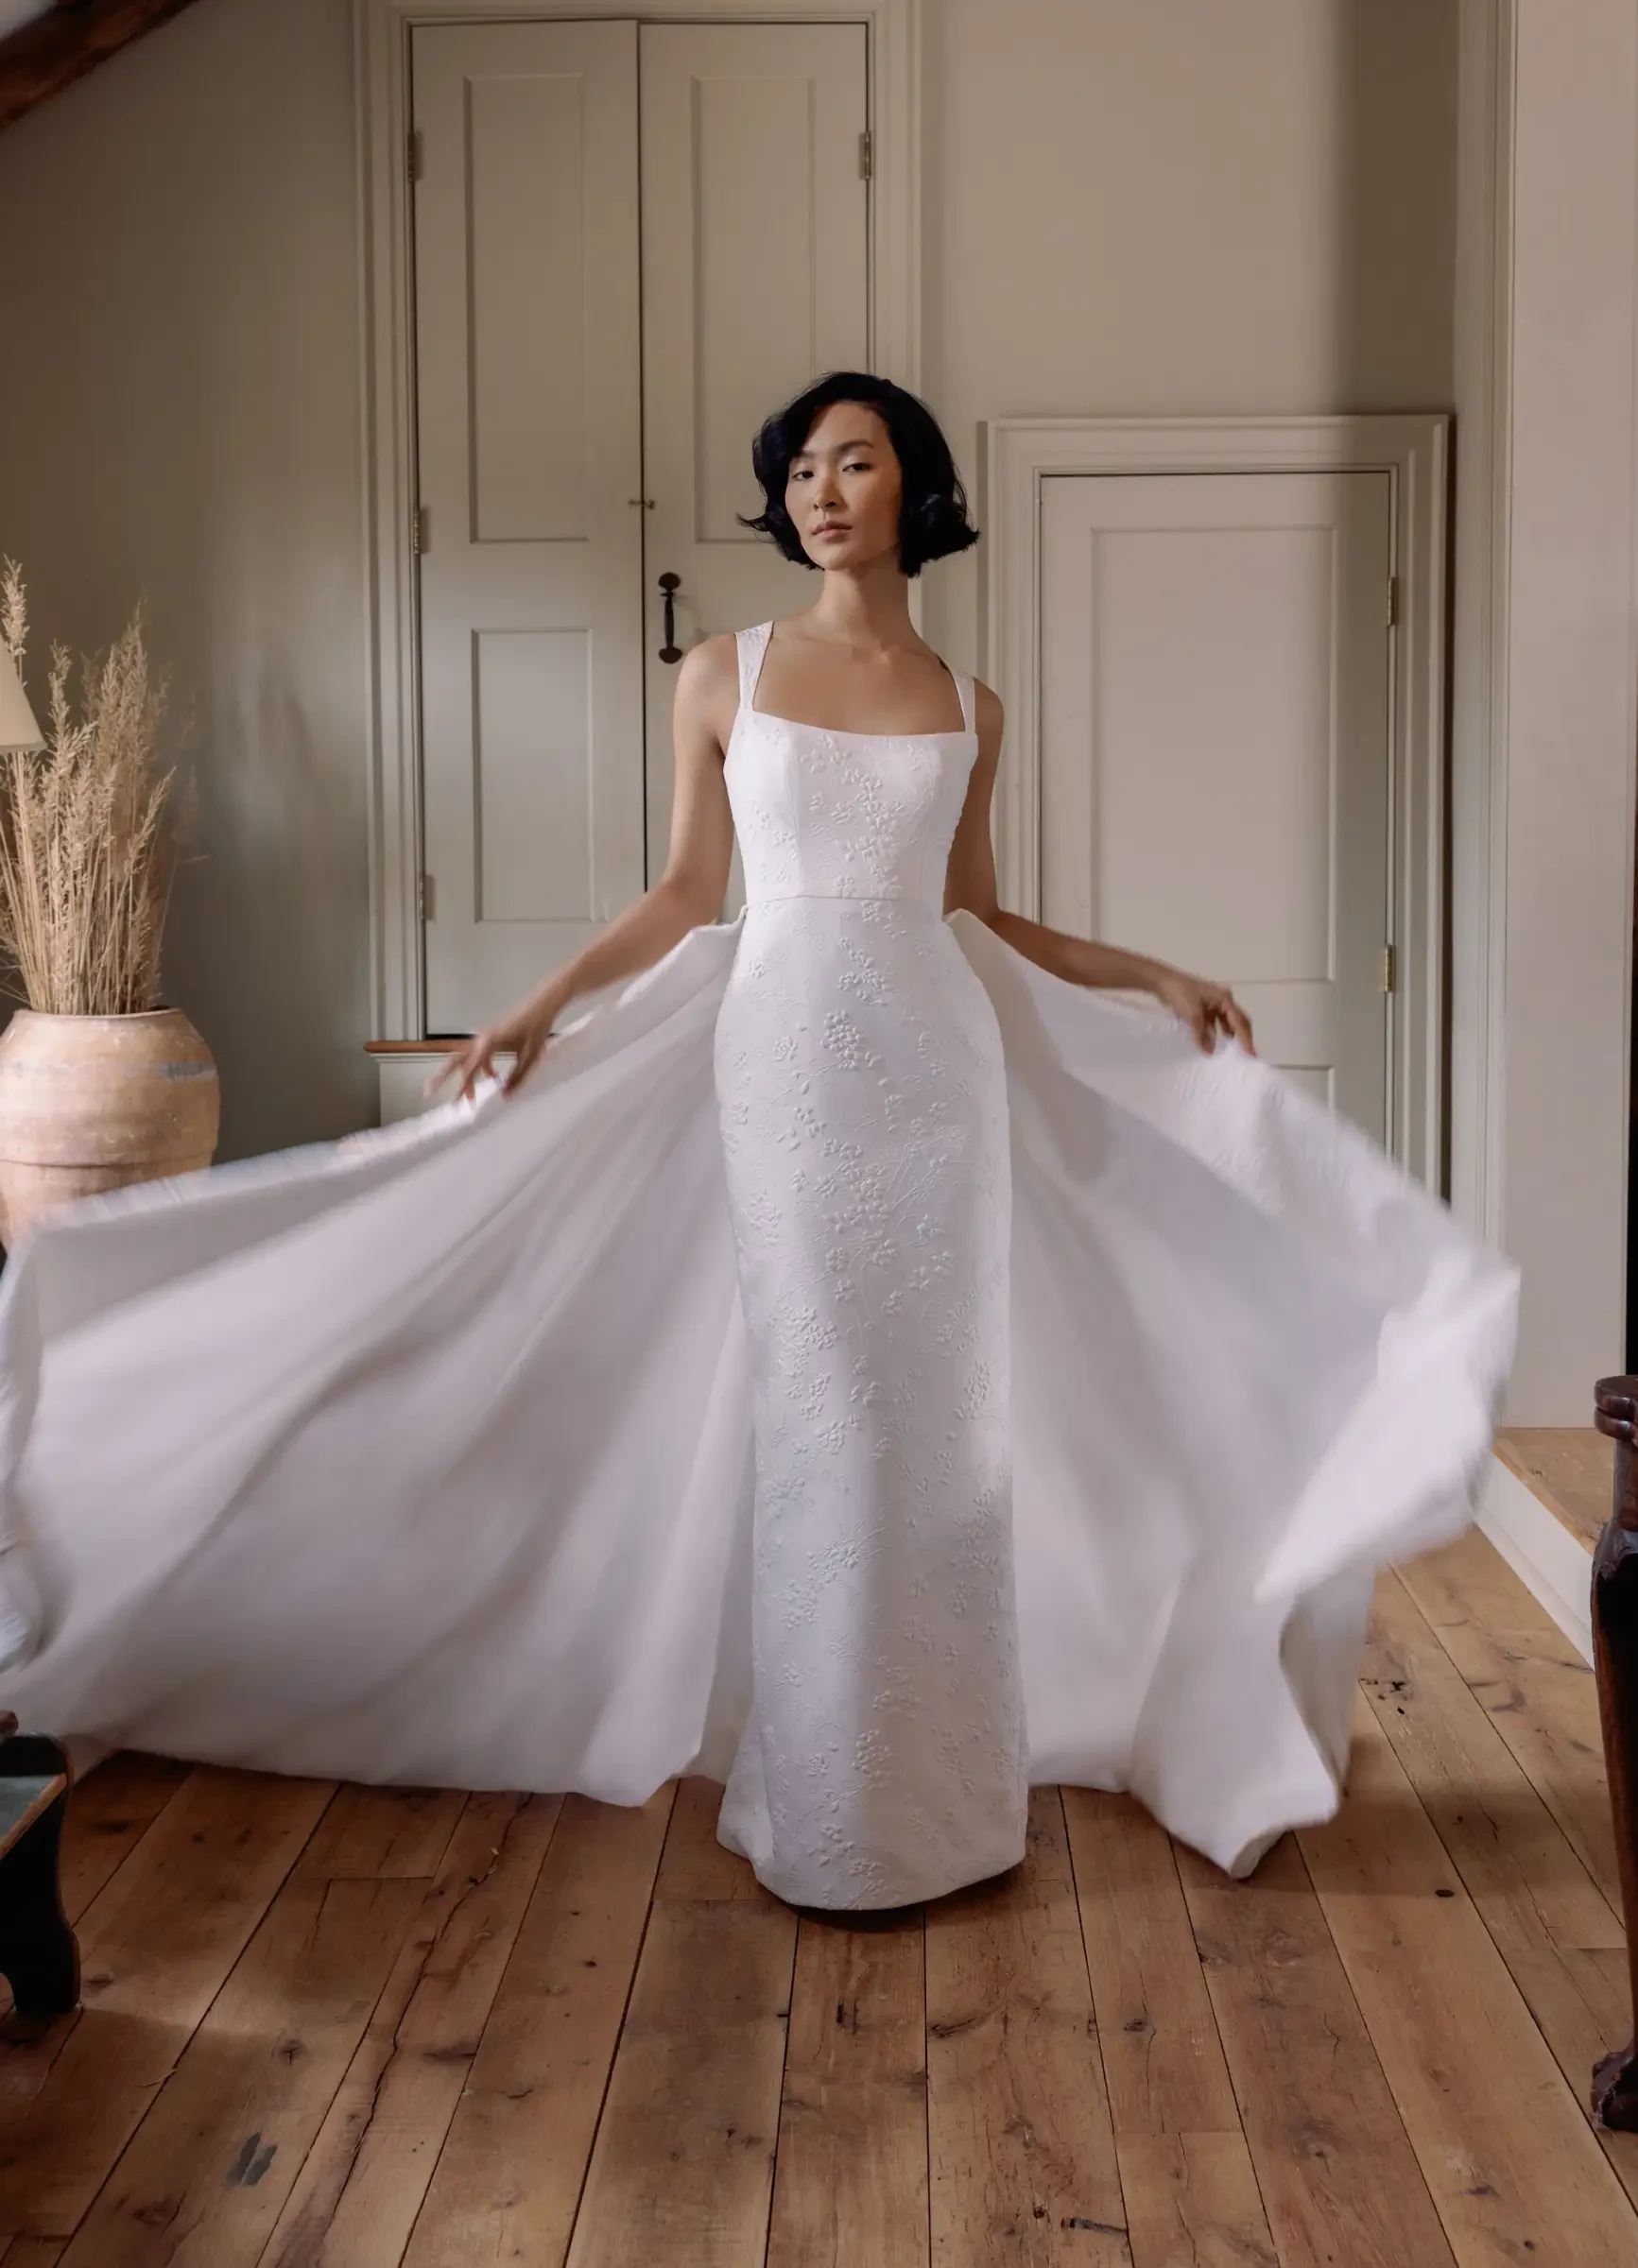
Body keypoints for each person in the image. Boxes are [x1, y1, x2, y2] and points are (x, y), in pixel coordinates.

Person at [0, 374, 1514, 1912]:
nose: (821, 489)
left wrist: (1151, 974)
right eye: (800, 468)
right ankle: (826, 1803)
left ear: (912, 487)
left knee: (937, 1439)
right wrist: (534, 1009)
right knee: (826, 1418)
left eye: (854, 462)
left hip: (937, 1077)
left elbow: (978, 918)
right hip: (784, 1063)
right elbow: (683, 896)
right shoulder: (724, 672)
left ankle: (937, 1801)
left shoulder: (971, 704)